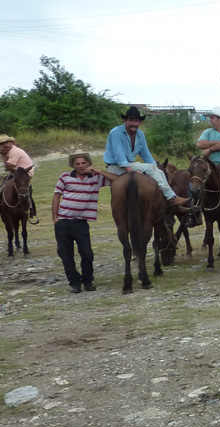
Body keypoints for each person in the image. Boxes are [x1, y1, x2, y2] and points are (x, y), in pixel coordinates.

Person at [104, 106, 191, 213]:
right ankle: (172, 197)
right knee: (151, 169)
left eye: (136, 121)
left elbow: (146, 155)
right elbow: (119, 157)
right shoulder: (116, 133)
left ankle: (166, 203)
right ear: (125, 120)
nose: (133, 123)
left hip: (129, 164)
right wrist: (132, 172)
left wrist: (156, 167)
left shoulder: (140, 134)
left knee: (159, 171)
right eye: (131, 120)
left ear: (140, 122)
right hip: (115, 167)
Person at [52, 153, 116, 294]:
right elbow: (57, 195)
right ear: (73, 166)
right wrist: (55, 219)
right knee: (65, 255)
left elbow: (117, 179)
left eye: (83, 163)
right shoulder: (65, 177)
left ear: (88, 164)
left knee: (87, 254)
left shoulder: (96, 178)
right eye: (77, 164)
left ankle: (88, 281)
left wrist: (98, 171)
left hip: (81, 223)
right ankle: (74, 283)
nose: (81, 166)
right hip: (63, 222)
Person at [0, 134, 37, 220]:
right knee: (5, 183)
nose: (5, 145)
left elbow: (9, 166)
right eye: (2, 144)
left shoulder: (14, 151)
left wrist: (2, 154)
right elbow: (9, 167)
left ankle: (30, 208)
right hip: (18, 172)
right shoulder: (11, 151)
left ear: (11, 143)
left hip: (25, 173)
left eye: (6, 143)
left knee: (21, 189)